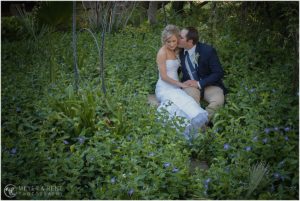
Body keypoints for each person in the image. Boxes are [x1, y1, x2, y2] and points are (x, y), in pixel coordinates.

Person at [155, 25, 208, 140]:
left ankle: (197, 129)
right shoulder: (162, 53)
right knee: (177, 102)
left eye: (174, 41)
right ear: (164, 41)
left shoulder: (178, 50)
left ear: (177, 39)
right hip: (164, 87)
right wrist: (181, 85)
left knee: (186, 99)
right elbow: (164, 77)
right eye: (168, 41)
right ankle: (184, 134)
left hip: (175, 86)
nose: (172, 44)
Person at [178, 27, 227, 121]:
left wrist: (199, 83)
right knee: (191, 103)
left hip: (209, 85)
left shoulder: (207, 51)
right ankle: (194, 121)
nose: (178, 38)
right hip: (189, 86)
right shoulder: (178, 51)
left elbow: (218, 72)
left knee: (218, 101)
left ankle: (203, 123)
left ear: (190, 41)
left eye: (181, 37)